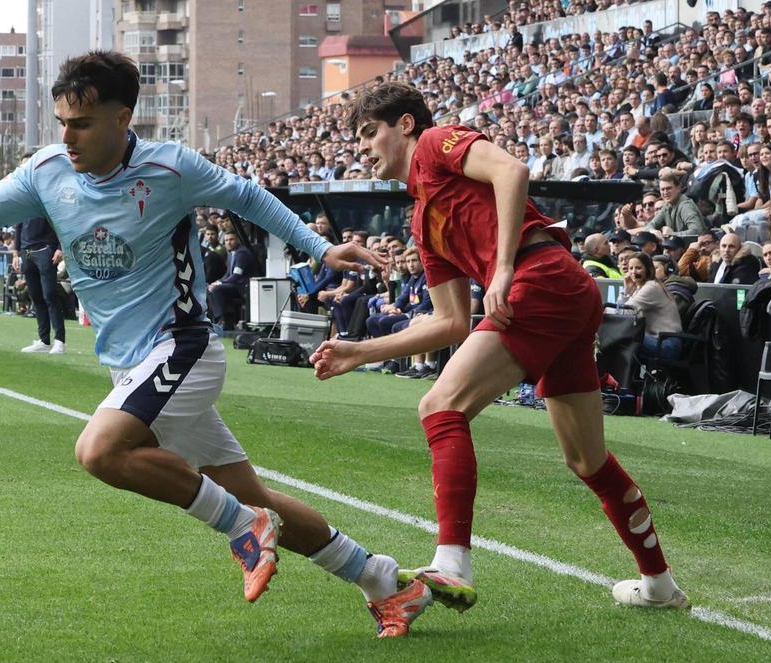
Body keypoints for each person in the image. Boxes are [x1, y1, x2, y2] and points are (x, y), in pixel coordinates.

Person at [0, 51, 469, 638]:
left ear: (122, 117)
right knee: (257, 497)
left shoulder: (171, 168)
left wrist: (320, 247)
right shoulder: (46, 171)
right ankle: (386, 582)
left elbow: (248, 198)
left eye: (80, 123)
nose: (67, 136)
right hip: (132, 366)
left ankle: (241, 526)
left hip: (183, 348)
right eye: (61, 123)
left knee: (99, 452)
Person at [311, 82, 687, 610]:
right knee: (587, 459)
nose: (363, 147)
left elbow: (512, 170)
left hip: (541, 279)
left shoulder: (438, 142)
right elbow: (449, 323)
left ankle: (452, 562)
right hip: (563, 292)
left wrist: (504, 267)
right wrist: (358, 351)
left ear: (405, 126)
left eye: (370, 133)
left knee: (439, 406)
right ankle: (660, 586)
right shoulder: (421, 219)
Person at [12, 159, 67, 354]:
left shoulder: (50, 193)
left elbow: (61, 222)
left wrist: (60, 247)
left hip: (46, 248)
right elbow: (18, 226)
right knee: (35, 296)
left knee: (50, 294)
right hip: (27, 250)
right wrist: (15, 252)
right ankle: (44, 340)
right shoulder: (23, 197)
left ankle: (60, 340)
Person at [621, 253, 684, 360]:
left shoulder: (651, 287)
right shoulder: (640, 287)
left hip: (667, 343)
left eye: (638, 268)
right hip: (658, 340)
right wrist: (627, 291)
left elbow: (625, 311)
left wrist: (626, 294)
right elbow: (622, 311)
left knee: (622, 338)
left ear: (648, 269)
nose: (633, 272)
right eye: (630, 268)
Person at [206, 231, 256, 330]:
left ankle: (222, 320)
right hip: (234, 285)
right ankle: (221, 319)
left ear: (237, 240)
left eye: (231, 239)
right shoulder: (232, 253)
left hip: (243, 287)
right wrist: (216, 282)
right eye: (226, 240)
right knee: (210, 287)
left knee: (217, 289)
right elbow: (228, 274)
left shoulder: (242, 253)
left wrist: (220, 283)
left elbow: (237, 275)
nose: (228, 242)